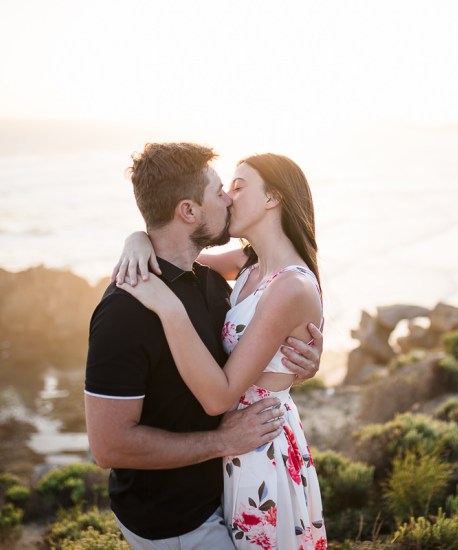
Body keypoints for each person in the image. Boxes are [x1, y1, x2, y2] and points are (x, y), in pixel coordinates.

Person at [85, 143, 324, 550]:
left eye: (236, 186)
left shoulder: (244, 282)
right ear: (189, 211)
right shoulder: (239, 267)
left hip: (249, 459)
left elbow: (230, 385)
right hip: (183, 505)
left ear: (271, 198)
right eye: (221, 190)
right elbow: (107, 446)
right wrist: (136, 239)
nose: (228, 197)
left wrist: (288, 369)